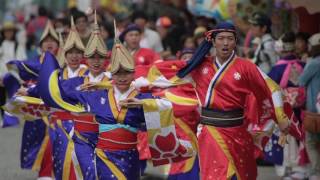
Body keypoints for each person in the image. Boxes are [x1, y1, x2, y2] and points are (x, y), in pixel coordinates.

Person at [176, 22, 295, 180]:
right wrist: (140, 88)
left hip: (237, 132)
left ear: (235, 41)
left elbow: (272, 88)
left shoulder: (246, 67)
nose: (225, 43)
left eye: (230, 38)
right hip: (210, 132)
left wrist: (281, 117)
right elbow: (170, 78)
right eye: (221, 38)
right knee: (214, 175)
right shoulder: (200, 66)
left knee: (240, 175)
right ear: (213, 41)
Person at [267, 32, 308, 179]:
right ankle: (301, 168)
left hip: (284, 108)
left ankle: (287, 168)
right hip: (302, 107)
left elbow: (268, 87)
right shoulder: (303, 64)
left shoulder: (277, 69)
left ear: (281, 50)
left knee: (284, 136)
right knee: (300, 135)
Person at [299, 33, 320, 180]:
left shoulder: (314, 63)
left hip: (315, 110)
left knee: (311, 141)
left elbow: (301, 81)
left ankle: (316, 171)